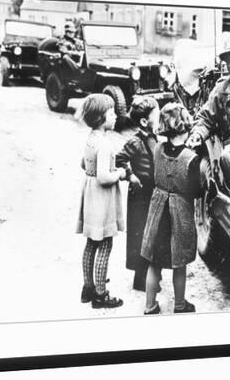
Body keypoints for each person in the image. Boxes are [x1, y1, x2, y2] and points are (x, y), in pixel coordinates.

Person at [141, 103, 201, 314]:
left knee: (154, 262)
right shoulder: (191, 159)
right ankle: (180, 304)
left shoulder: (157, 149)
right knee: (179, 262)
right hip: (179, 215)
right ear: (185, 126)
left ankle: (150, 306)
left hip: (158, 213)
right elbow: (197, 191)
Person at [186, 30, 230, 198]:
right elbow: (206, 118)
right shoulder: (221, 89)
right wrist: (197, 134)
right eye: (227, 61)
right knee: (229, 155)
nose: (229, 65)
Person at [76, 94, 126, 309]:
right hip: (102, 199)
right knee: (105, 243)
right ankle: (100, 294)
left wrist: (95, 169)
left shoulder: (90, 139)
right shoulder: (105, 144)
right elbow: (104, 178)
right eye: (112, 112)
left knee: (91, 243)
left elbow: (83, 164)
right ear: (100, 118)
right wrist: (120, 173)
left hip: (90, 195)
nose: (115, 116)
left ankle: (87, 288)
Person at [115, 97, 160, 292]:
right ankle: (140, 279)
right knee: (141, 234)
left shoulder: (154, 137)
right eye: (156, 117)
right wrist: (131, 176)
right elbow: (120, 159)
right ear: (144, 122)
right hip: (140, 196)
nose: (158, 120)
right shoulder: (135, 141)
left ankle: (149, 276)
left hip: (152, 193)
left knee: (152, 234)